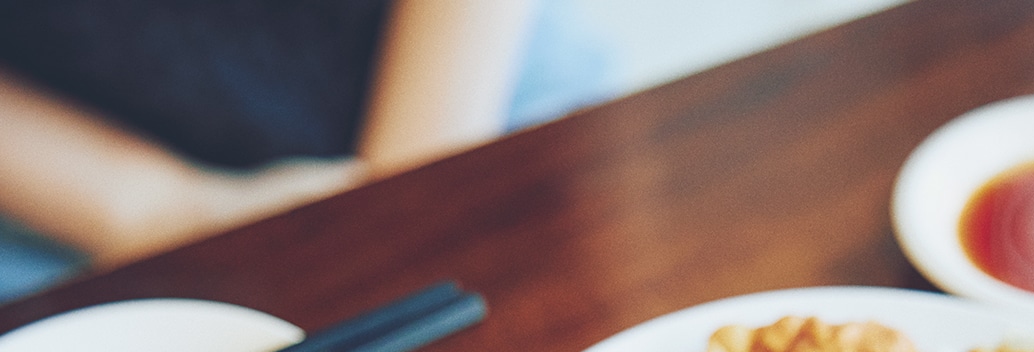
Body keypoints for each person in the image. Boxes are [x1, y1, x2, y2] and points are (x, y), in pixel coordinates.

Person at [0, 0, 619, 301]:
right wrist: (160, 210)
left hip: (474, 84)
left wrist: (412, 185)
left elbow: (415, 198)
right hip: (58, 186)